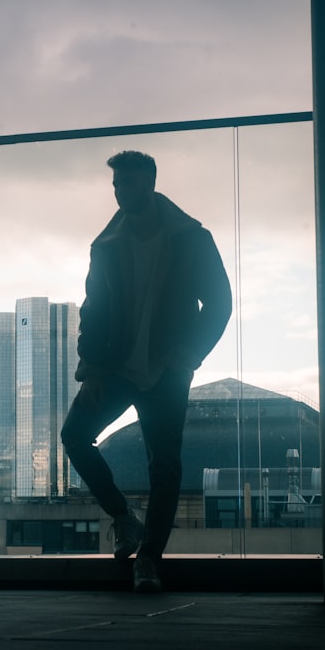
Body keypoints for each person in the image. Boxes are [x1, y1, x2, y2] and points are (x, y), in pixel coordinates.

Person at [60, 150, 231, 592]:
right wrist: (93, 371)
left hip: (166, 370)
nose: (120, 192)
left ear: (151, 184)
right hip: (115, 367)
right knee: (74, 436)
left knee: (166, 467)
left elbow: (219, 302)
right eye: (116, 184)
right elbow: (93, 311)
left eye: (129, 183)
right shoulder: (106, 246)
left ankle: (149, 561)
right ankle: (123, 518)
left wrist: (189, 353)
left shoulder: (191, 237)